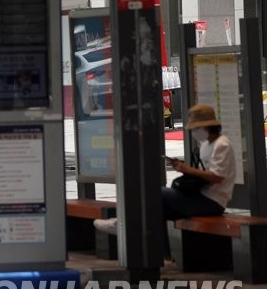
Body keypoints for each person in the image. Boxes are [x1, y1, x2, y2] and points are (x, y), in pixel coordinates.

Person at [94, 103, 235, 261]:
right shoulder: (205, 145)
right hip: (199, 196)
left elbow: (217, 177)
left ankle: (122, 225)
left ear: (207, 127)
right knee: (159, 210)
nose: (194, 132)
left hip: (212, 201)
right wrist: (184, 167)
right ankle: (163, 252)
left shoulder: (222, 145)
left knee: (156, 192)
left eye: (196, 128)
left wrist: (187, 170)